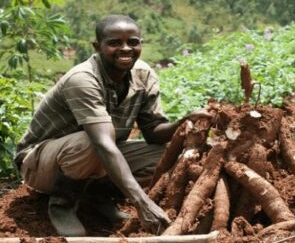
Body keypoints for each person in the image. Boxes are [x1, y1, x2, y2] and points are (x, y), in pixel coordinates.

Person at [15, 14, 209, 236]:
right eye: (115, 43)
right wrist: (142, 202)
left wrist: (183, 122)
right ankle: (62, 204)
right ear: (98, 46)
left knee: (168, 154)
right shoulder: (83, 79)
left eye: (133, 42)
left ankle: (99, 196)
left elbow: (153, 132)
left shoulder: (143, 74)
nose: (126, 49)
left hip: (95, 155)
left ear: (141, 44)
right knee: (92, 142)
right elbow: (103, 144)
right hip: (40, 163)